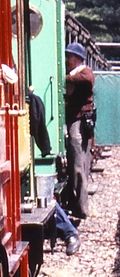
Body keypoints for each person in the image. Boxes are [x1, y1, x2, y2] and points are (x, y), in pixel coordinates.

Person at [63, 41, 95, 221]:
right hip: (74, 119)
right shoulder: (75, 73)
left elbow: (86, 80)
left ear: (78, 59)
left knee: (79, 164)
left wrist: (62, 78)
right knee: (76, 164)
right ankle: (76, 205)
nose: (67, 60)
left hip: (78, 121)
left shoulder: (84, 73)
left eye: (70, 57)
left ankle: (81, 208)